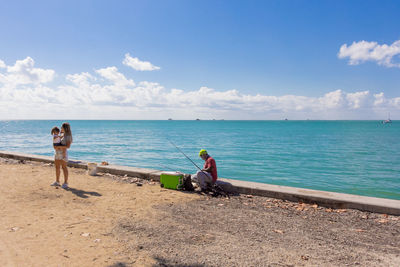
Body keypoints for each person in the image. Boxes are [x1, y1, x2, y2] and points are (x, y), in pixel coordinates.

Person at [51, 122, 73, 189]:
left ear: (65, 128)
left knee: (64, 168)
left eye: (61, 127)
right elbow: (57, 141)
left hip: (63, 153)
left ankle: (65, 183)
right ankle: (57, 181)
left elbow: (68, 146)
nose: (60, 128)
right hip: (58, 152)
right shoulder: (62, 134)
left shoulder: (68, 136)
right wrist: (55, 146)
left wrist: (58, 147)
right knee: (57, 167)